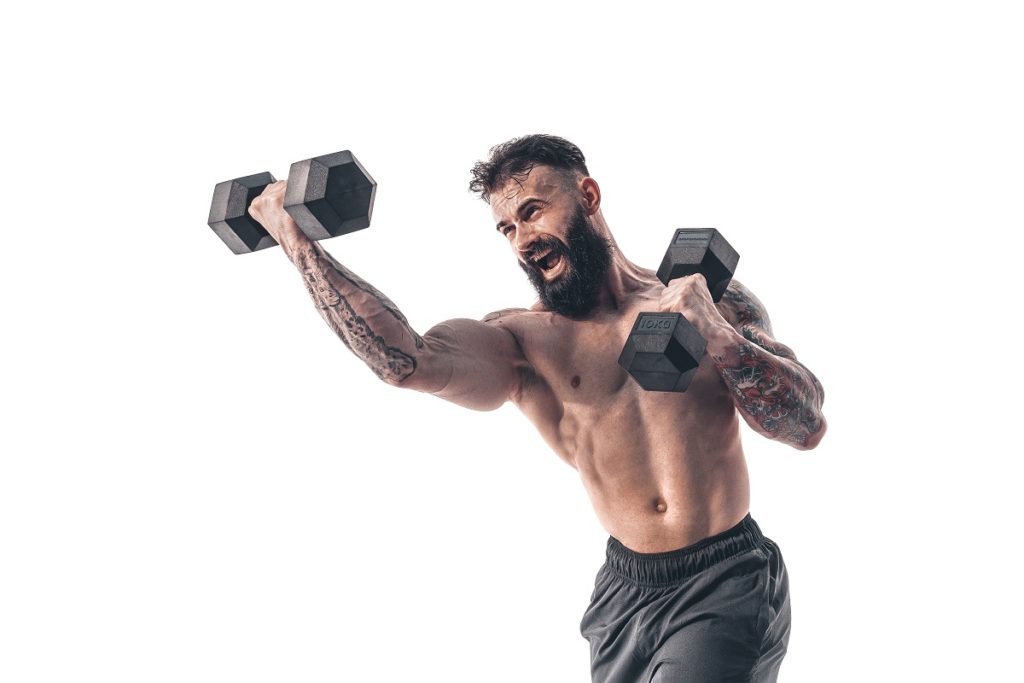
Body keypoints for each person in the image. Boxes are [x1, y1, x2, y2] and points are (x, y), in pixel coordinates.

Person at [247, 134, 827, 682]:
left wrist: (719, 336)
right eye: (505, 228)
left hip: (724, 579)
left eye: (532, 211)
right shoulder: (523, 342)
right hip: (624, 593)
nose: (522, 239)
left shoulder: (703, 293)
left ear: (588, 197)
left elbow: (806, 427)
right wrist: (294, 239)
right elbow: (405, 361)